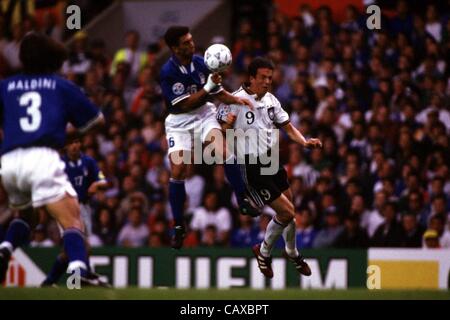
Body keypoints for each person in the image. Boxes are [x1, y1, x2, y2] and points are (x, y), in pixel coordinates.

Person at [0, 32, 104, 286]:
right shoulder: (59, 85)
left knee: (27, 216)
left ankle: (4, 248)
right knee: (72, 217)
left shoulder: (5, 86)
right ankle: (79, 274)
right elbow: (97, 121)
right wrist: (70, 134)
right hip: (42, 156)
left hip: (10, 160)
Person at [217, 57, 322, 278]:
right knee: (287, 212)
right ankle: (263, 252)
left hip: (271, 161)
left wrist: (304, 142)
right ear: (251, 78)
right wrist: (227, 124)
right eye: (263, 78)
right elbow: (216, 133)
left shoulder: (272, 100)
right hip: (251, 167)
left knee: (289, 213)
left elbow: (288, 127)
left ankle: (292, 252)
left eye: (270, 78)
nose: (267, 82)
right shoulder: (233, 100)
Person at [160, 26, 259, 249]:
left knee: (224, 151)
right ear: (175, 48)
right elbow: (185, 103)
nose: (191, 44)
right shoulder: (168, 72)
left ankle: (242, 199)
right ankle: (178, 224)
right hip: (179, 122)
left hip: (204, 114)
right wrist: (207, 89)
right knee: (178, 170)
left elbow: (215, 92)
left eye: (191, 40)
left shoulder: (202, 62)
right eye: (185, 43)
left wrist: (235, 100)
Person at [41, 133, 109, 286]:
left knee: (69, 252)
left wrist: (96, 185)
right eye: (71, 143)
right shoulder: (59, 164)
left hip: (84, 208)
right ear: (65, 146)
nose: (75, 146)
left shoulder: (89, 162)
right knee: (83, 245)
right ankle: (80, 278)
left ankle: (49, 282)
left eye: (77, 142)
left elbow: (103, 180)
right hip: (65, 208)